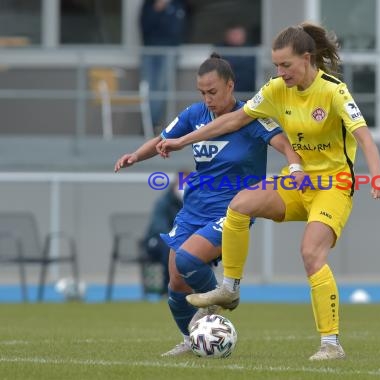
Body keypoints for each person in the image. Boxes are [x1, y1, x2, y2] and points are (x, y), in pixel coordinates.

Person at [156, 21, 380, 360]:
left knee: (311, 253)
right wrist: (181, 141)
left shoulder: (333, 91)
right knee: (240, 203)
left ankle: (331, 344)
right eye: (276, 65)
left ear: (306, 59)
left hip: (333, 187)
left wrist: (379, 176)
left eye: (286, 65)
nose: (280, 72)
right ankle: (230, 289)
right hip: (296, 184)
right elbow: (234, 120)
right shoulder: (276, 89)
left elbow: (364, 136)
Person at [115, 53, 299, 356]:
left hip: (231, 210)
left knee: (187, 261)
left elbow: (286, 146)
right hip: (194, 207)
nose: (207, 99)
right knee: (175, 278)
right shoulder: (194, 115)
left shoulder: (252, 117)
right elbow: (163, 138)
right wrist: (136, 155)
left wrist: (295, 170)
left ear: (230, 85)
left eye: (212, 92)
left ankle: (226, 295)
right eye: (202, 93)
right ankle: (193, 340)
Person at [139, 0, 187, 128]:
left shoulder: (177, 5)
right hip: (150, 50)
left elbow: (175, 31)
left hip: (169, 52)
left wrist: (163, 14)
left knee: (163, 87)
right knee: (148, 88)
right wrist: (157, 10)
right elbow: (145, 27)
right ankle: (148, 125)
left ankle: (153, 124)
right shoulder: (149, 4)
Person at [141, 174, 184, 295]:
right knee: (170, 247)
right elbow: (159, 228)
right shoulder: (164, 202)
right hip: (156, 243)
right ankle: (168, 288)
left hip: (181, 242)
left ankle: (202, 288)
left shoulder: (193, 204)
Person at [218, 24, 256, 93]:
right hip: (226, 92)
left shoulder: (251, 49)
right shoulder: (220, 49)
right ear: (227, 35)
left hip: (247, 92)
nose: (236, 37)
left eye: (238, 34)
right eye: (233, 34)